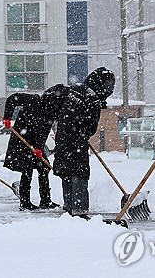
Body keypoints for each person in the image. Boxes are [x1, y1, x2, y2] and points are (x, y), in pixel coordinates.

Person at [53, 67, 115, 217]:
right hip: (77, 142)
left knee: (66, 172)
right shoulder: (92, 99)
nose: (109, 90)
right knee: (80, 173)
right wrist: (82, 135)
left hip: (62, 139)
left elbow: (57, 104)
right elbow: (91, 127)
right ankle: (80, 210)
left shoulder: (75, 90)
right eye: (108, 86)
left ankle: (68, 207)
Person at [2, 91, 60, 211]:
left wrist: (39, 147)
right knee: (27, 169)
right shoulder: (32, 100)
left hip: (34, 143)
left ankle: (45, 200)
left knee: (44, 167)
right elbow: (12, 98)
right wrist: (7, 117)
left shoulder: (49, 114)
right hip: (21, 140)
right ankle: (25, 202)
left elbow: (44, 132)